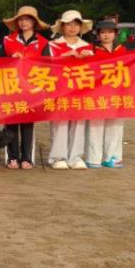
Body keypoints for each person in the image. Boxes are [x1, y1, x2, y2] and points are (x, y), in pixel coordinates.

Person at [0, 5, 50, 170]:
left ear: (34, 22)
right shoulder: (8, 40)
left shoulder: (43, 43)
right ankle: (12, 157)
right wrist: (10, 59)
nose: (24, 22)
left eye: (28, 19)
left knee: (28, 123)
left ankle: (27, 157)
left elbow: (48, 66)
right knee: (11, 122)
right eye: (21, 19)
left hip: (32, 89)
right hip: (11, 87)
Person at [44, 10, 95, 170]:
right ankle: (58, 157)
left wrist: (89, 58)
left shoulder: (87, 47)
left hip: (80, 90)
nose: (72, 28)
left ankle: (75, 156)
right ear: (62, 26)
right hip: (60, 89)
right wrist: (64, 56)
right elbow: (45, 65)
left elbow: (96, 69)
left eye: (76, 24)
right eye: (69, 24)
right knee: (60, 122)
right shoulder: (52, 45)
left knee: (78, 123)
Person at [86, 19, 126, 169]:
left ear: (115, 34)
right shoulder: (92, 50)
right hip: (97, 94)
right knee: (95, 126)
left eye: (110, 32)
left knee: (115, 126)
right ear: (98, 35)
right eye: (103, 32)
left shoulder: (122, 50)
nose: (106, 35)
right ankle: (93, 158)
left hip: (117, 93)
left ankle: (113, 157)